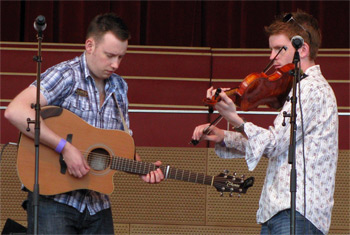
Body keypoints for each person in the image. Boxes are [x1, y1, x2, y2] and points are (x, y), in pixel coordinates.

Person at [5, 13, 164, 234]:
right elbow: (16, 111)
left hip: (98, 206)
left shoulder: (120, 87)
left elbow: (122, 144)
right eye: (109, 55)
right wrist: (65, 147)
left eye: (121, 57)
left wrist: (142, 168)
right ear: (89, 45)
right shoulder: (66, 75)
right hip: (54, 201)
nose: (116, 64)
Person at [192, 10, 338, 235]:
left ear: (303, 49)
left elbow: (273, 144)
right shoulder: (298, 88)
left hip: (298, 212)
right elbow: (277, 149)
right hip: (279, 210)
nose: (271, 57)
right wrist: (225, 136)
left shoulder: (313, 89)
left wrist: (235, 119)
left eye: (279, 49)